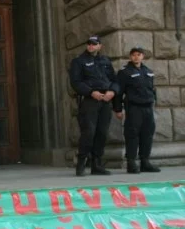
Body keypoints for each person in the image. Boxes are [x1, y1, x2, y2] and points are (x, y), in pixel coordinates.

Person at [69, 35, 119, 176]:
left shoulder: (105, 61)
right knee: (88, 132)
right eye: (89, 44)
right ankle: (81, 163)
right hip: (89, 100)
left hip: (105, 100)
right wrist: (91, 92)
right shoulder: (79, 61)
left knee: (102, 132)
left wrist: (112, 91)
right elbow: (76, 82)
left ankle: (97, 164)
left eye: (94, 44)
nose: (91, 46)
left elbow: (114, 80)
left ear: (99, 46)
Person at [113, 47, 161, 174]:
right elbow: (118, 92)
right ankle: (131, 163)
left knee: (147, 134)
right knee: (132, 135)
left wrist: (154, 102)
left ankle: (145, 161)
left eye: (138, 55)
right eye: (133, 55)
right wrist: (118, 109)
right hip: (134, 108)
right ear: (130, 57)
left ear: (142, 56)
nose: (136, 57)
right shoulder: (124, 72)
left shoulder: (148, 71)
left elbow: (152, 90)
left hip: (147, 108)